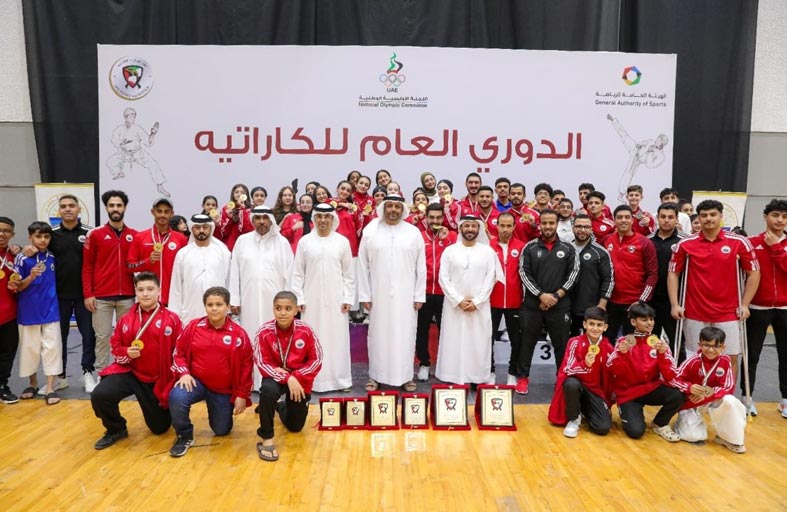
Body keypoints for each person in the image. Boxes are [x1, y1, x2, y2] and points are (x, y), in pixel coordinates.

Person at [668, 199, 760, 390]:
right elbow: (673, 273)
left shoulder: (738, 242)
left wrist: (745, 304)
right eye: (704, 215)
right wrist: (675, 304)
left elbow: (753, 273)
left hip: (729, 312)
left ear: (720, 216)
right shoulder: (685, 244)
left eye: (713, 214)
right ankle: (696, 399)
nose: (708, 219)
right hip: (694, 311)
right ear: (698, 218)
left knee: (730, 356)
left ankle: (724, 398)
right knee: (695, 356)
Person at [90, 272, 182, 449]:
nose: (145, 294)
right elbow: (115, 346)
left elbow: (181, 352)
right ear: (136, 292)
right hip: (130, 373)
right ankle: (116, 429)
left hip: (158, 378)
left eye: (150, 289)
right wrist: (126, 351)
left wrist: (177, 377)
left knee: (160, 428)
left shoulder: (172, 320)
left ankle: (167, 410)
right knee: (100, 395)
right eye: (140, 290)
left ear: (159, 291)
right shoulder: (126, 319)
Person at [167, 287, 253, 457]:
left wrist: (241, 395)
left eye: (219, 304)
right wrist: (184, 373)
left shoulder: (239, 334)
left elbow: (246, 366)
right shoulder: (193, 327)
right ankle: (184, 435)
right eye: (210, 304)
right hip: (196, 382)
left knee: (221, 430)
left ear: (228, 307)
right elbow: (178, 352)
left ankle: (218, 411)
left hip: (223, 389)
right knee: (177, 397)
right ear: (205, 306)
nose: (214, 308)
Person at [358, 195, 426, 392]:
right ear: (383, 208)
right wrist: (365, 295)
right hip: (378, 295)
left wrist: (419, 295)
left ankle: (405, 376)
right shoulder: (371, 231)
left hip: (406, 296)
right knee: (378, 335)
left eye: (397, 206)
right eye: (389, 206)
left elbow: (421, 267)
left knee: (405, 335)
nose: (393, 210)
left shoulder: (413, 232)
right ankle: (375, 376)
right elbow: (363, 265)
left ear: (402, 209)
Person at [290, 203, 354, 392]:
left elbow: (349, 274)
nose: (323, 220)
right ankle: (313, 381)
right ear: (314, 219)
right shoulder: (305, 242)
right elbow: (297, 274)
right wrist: (299, 299)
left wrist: (347, 298)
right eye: (319, 217)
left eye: (327, 217)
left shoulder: (342, 242)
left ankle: (340, 380)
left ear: (333, 219)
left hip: (337, 301)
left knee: (337, 339)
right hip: (311, 301)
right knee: (312, 338)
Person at [229, 206, 293, 389]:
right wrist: (235, 299)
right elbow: (235, 272)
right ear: (253, 220)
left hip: (276, 305)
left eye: (265, 217)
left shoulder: (281, 243)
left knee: (274, 342)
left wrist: (289, 304)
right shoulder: (242, 241)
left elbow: (290, 272)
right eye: (258, 218)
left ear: (271, 220)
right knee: (250, 340)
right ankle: (251, 382)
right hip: (249, 302)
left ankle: (273, 382)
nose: (262, 221)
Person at [254, 291, 323, 462]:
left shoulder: (306, 331)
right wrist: (288, 378)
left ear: (296, 310)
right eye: (278, 308)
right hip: (277, 377)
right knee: (268, 390)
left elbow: (317, 359)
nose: (282, 313)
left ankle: (278, 407)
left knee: (295, 427)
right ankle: (267, 437)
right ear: (273, 309)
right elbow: (262, 363)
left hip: (300, 380)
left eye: (287, 308)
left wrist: (296, 376)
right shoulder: (264, 332)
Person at [517, 209, 580, 395]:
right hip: (532, 305)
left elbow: (574, 274)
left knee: (561, 344)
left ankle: (561, 379)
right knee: (526, 342)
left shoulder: (569, 248)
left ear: (557, 224)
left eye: (551, 223)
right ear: (539, 224)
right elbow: (523, 273)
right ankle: (522, 378)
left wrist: (556, 296)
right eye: (544, 223)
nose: (548, 226)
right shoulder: (529, 248)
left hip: (559, 306)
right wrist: (540, 295)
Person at [606, 302, 684, 441]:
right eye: (644, 320)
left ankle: (659, 424)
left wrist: (662, 355)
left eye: (651, 319)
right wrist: (622, 354)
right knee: (636, 432)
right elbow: (612, 370)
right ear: (633, 321)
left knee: (678, 394)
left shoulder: (659, 343)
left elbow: (670, 376)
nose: (649, 323)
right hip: (628, 394)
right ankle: (627, 411)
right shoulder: (623, 342)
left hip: (650, 389)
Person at [435, 216, 498, 385]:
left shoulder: (488, 252)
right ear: (461, 228)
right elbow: (443, 278)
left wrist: (477, 301)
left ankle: (477, 378)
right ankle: (453, 377)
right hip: (454, 307)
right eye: (467, 226)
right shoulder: (449, 251)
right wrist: (458, 300)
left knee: (478, 343)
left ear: (479, 229)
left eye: (474, 226)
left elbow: (491, 278)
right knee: (453, 342)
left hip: (479, 307)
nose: (470, 229)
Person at [83, 190, 138, 386]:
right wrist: (89, 294)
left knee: (126, 336)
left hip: (127, 297)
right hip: (101, 297)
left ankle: (123, 371)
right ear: (106, 208)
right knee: (102, 337)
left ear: (125, 207)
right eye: (112, 205)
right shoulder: (95, 234)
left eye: (119, 205)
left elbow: (138, 265)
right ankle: (103, 373)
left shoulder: (134, 235)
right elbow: (87, 266)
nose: (115, 209)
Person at [10, 222, 62, 405]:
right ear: (30, 237)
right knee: (29, 348)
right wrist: (31, 276)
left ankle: (50, 387)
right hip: (28, 311)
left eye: (46, 237)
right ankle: (32, 383)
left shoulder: (52, 257)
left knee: (52, 348)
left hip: (50, 310)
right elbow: (17, 287)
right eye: (38, 236)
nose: (42, 240)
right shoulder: (22, 259)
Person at [672, 327, 746, 453]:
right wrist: (689, 388)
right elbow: (674, 379)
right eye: (706, 345)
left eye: (716, 346)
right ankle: (680, 424)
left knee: (731, 401)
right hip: (692, 402)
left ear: (723, 347)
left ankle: (729, 439)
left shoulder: (726, 361)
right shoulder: (692, 361)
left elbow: (728, 386)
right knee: (694, 437)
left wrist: (707, 394)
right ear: (699, 344)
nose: (711, 350)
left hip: (711, 399)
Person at [48, 194, 95, 393]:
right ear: (59, 210)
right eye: (63, 206)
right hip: (59, 296)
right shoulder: (51, 234)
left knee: (88, 335)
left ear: (79, 209)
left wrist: (91, 292)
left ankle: (87, 373)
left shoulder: (90, 233)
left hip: (85, 296)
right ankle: (61, 376)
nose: (67, 209)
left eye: (71, 206)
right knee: (59, 336)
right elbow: (38, 251)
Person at [745, 199, 787, 418]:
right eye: (775, 215)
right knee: (752, 354)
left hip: (785, 308)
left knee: (786, 354)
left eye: (784, 216)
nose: (780, 220)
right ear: (765, 217)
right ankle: (747, 398)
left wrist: (776, 249)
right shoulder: (751, 242)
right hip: (757, 306)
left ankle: (785, 400)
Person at [548, 307, 614, 438]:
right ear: (585, 324)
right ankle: (574, 419)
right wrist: (585, 364)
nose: (595, 328)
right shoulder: (574, 342)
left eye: (599, 325)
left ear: (605, 327)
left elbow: (613, 375)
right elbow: (567, 369)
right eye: (591, 324)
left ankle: (586, 410)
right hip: (577, 386)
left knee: (603, 428)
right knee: (570, 383)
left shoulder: (609, 348)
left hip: (595, 391)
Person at [602, 205, 658, 340]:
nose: (623, 220)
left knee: (632, 345)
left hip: (634, 304)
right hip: (610, 302)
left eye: (627, 217)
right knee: (607, 343)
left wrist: (641, 300)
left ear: (632, 220)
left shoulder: (644, 242)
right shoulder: (606, 240)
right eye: (619, 217)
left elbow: (652, 274)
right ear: (614, 220)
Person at [415, 204, 457, 381]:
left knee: (446, 330)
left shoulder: (452, 236)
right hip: (423, 291)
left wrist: (447, 240)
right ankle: (424, 363)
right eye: (431, 217)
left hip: (445, 292)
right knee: (422, 329)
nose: (435, 221)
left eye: (438, 218)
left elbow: (457, 258)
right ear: (426, 217)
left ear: (443, 218)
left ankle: (445, 366)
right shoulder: (418, 236)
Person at [168, 214, 231, 324]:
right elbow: (176, 287)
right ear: (192, 229)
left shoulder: (223, 252)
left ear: (210, 228)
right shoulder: (183, 254)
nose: (201, 230)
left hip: (218, 309)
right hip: (190, 311)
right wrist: (175, 313)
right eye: (197, 227)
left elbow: (229, 280)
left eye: (205, 227)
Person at [127, 197, 188, 306]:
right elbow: (130, 266)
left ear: (172, 213)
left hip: (173, 298)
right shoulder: (140, 237)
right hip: (148, 299)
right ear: (152, 212)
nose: (162, 215)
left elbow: (186, 269)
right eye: (159, 211)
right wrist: (148, 261)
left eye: (166, 212)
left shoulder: (181, 239)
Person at [647, 203, 687, 362]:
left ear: (677, 219)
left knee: (677, 344)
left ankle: (679, 380)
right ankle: (652, 380)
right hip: (652, 301)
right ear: (657, 218)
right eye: (663, 217)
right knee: (650, 343)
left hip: (675, 302)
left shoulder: (684, 241)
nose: (666, 220)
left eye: (670, 217)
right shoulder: (647, 240)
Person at [489, 212, 526, 385]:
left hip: (515, 302)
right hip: (491, 302)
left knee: (517, 341)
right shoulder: (488, 247)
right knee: (487, 339)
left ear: (514, 227)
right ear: (496, 226)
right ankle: (489, 371)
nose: (505, 229)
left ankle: (513, 372)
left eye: (508, 226)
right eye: (502, 225)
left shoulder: (521, 247)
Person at [106, 107, 169, 196]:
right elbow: (113, 140)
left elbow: (147, 142)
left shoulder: (137, 128)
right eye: (131, 116)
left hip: (137, 153)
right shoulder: (119, 129)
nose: (133, 118)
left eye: (134, 116)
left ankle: (160, 186)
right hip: (124, 153)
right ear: (125, 117)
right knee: (110, 161)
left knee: (152, 163)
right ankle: (119, 172)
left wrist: (153, 133)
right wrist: (121, 143)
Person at [569, 214, 614, 337]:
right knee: (569, 345)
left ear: (591, 229)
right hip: (567, 307)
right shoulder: (566, 249)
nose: (582, 230)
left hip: (591, 308)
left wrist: (602, 304)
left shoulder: (600, 252)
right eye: (578, 226)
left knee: (591, 347)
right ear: (573, 228)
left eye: (586, 227)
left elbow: (608, 279)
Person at [0, 217, 20, 403]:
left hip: (9, 314)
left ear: (12, 234)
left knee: (7, 353)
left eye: (6, 231)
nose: (1, 234)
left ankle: (2, 385)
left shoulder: (15, 256)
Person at [216, 184, 253, 251]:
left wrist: (243, 209)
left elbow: (249, 230)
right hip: (230, 246)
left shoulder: (252, 209)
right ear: (233, 195)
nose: (239, 194)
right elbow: (223, 232)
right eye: (236, 192)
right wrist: (229, 217)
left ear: (246, 195)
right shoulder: (226, 208)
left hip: (247, 245)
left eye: (242, 192)